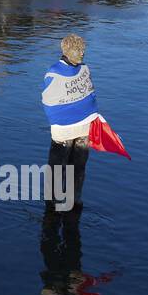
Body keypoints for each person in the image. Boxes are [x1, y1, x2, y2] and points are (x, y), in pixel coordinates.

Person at [41, 34, 98, 212]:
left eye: (83, 50)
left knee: (74, 168)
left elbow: (49, 100)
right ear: (66, 50)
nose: (81, 54)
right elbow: (51, 101)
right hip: (71, 130)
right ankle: (58, 205)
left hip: (77, 129)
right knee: (65, 169)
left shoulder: (76, 70)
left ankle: (69, 202)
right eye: (78, 50)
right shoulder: (60, 72)